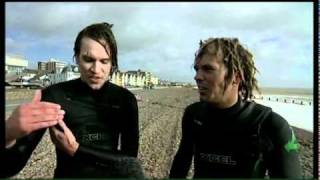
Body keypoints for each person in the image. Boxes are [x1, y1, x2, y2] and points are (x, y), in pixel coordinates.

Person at [3, 22, 143, 178]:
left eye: (104, 61)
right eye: (88, 59)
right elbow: (9, 168)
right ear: (76, 58)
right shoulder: (54, 96)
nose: (96, 70)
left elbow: (130, 162)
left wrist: (77, 150)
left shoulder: (125, 99)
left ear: (112, 63)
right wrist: (8, 135)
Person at [169, 38, 302, 178]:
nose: (197, 77)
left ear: (236, 77)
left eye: (208, 69)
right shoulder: (193, 115)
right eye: (197, 69)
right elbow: (180, 165)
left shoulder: (270, 125)